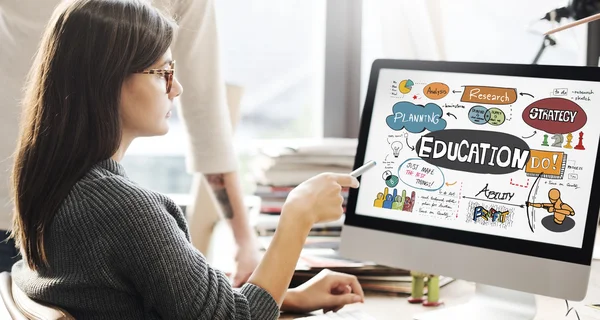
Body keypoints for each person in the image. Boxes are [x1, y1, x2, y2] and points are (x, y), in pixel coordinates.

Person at [9, 0, 365, 318]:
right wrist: (298, 214)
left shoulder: (53, 185)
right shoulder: (124, 210)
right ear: (108, 80)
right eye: (162, 73)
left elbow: (170, 299)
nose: (176, 87)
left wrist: (286, 297)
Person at [0, 0, 261, 285]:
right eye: (162, 73)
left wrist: (243, 241)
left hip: (34, 201)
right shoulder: (132, 214)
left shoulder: (121, 207)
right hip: (36, 213)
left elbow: (206, 117)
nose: (174, 88)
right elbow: (206, 114)